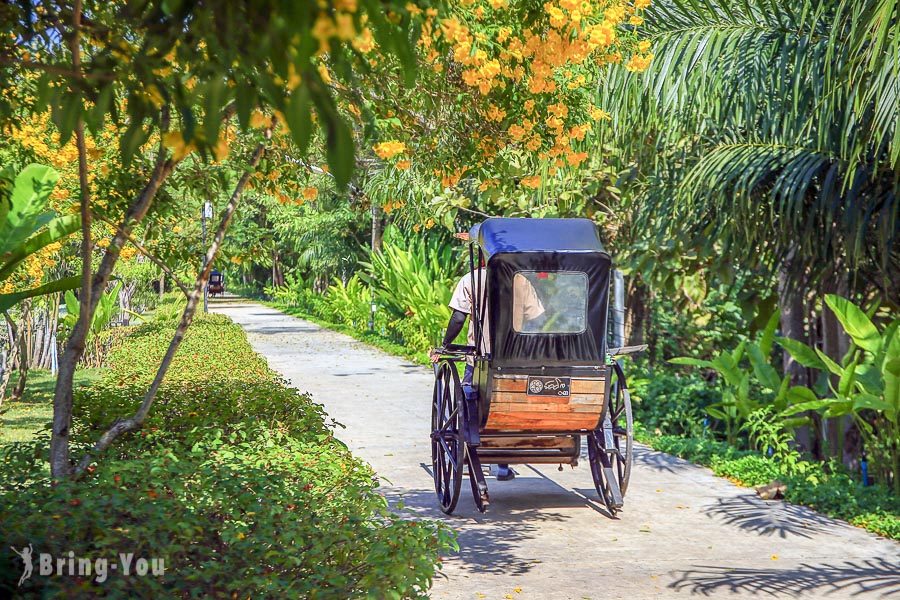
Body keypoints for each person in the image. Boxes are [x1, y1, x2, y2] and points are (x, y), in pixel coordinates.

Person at [430, 243, 545, 481]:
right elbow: (536, 321)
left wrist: (446, 344)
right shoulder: (521, 281)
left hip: (480, 359)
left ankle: (467, 453)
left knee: (471, 408)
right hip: (514, 360)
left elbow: (459, 318)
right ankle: (502, 465)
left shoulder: (471, 279)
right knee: (507, 412)